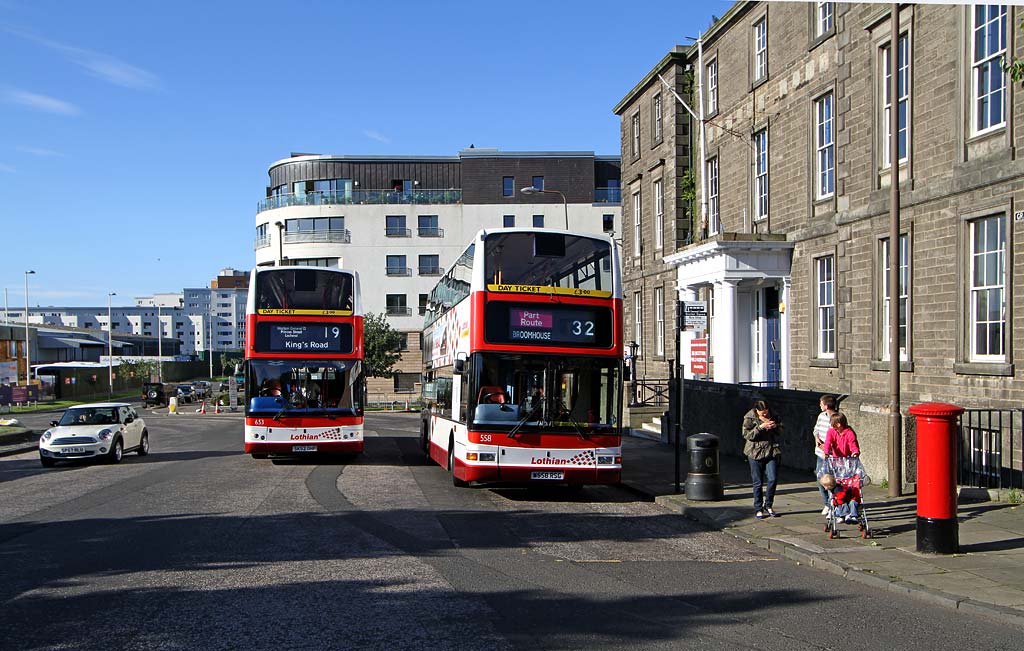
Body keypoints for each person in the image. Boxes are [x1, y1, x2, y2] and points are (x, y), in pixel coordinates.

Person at [742, 399, 781, 519]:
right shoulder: (749, 418)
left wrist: (775, 427)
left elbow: (781, 430)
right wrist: (760, 427)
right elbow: (747, 435)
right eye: (762, 413)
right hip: (755, 452)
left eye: (766, 412)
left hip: (771, 450)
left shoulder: (774, 415)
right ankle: (758, 508)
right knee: (758, 482)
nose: (764, 415)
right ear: (756, 410)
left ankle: (768, 505)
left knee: (773, 479)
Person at [812, 395, 838, 516]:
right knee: (820, 477)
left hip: (832, 455)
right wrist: (817, 439)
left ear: (826, 406)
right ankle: (827, 503)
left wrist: (828, 447)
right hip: (820, 454)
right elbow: (816, 429)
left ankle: (832, 503)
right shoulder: (821, 416)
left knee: (831, 480)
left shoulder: (837, 419)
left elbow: (839, 437)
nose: (820, 406)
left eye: (821, 404)